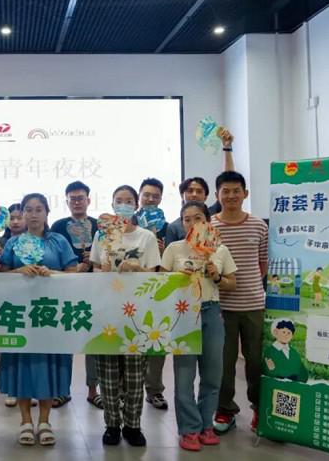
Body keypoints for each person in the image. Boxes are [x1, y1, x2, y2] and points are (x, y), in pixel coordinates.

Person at [0, 193, 78, 446]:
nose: (33, 215)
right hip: (20, 315)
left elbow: (73, 272)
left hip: (51, 315)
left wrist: (52, 273)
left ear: (46, 213)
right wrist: (18, 271)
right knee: (21, 363)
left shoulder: (59, 241)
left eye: (38, 209)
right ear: (22, 214)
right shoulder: (14, 243)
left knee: (49, 364)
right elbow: (0, 275)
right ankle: (25, 420)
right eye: (28, 210)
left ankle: (45, 421)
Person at [161, 201, 237, 452]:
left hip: (212, 311)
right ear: (182, 223)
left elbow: (232, 283)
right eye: (187, 219)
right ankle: (189, 429)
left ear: (207, 221)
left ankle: (206, 424)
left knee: (213, 373)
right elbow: (159, 282)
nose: (192, 224)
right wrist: (177, 278)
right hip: (184, 313)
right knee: (184, 376)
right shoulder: (174, 248)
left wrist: (216, 275)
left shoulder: (220, 249)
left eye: (198, 219)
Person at [90, 185, 160, 447]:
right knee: (107, 374)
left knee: (134, 375)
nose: (123, 205)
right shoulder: (102, 236)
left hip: (138, 314)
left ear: (136, 205)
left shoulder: (146, 237)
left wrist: (137, 268)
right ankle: (111, 425)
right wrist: (106, 269)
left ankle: (133, 425)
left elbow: (154, 273)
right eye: (118, 200)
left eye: (128, 201)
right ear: (111, 204)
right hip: (107, 310)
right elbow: (95, 270)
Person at [211, 171, 268, 435]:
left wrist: (248, 285)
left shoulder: (259, 226)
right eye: (226, 191)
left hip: (254, 305)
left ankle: (259, 408)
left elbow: (263, 264)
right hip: (220, 307)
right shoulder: (209, 227)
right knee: (223, 363)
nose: (231, 195)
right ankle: (225, 409)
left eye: (236, 190)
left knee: (256, 361)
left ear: (245, 193)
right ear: (217, 195)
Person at [50, 181, 99, 409]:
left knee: (94, 342)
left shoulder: (100, 226)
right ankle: (62, 390)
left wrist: (93, 261)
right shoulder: (58, 226)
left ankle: (93, 390)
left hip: (94, 289)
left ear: (89, 200)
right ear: (67, 202)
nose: (77, 202)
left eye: (81, 198)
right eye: (73, 199)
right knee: (65, 341)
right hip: (66, 290)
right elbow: (52, 257)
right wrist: (72, 267)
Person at [164, 130, 235, 246]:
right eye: (190, 191)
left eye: (199, 191)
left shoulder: (214, 214)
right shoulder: (174, 227)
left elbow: (228, 181)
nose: (194, 194)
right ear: (182, 195)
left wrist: (227, 148)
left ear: (206, 196)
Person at [136, 178, 169, 411]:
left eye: (155, 196)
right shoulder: (126, 223)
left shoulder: (168, 226)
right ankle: (127, 390)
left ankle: (155, 390)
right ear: (139, 196)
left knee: (156, 341)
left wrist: (163, 250)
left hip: (159, 291)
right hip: (129, 291)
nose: (150, 199)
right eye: (146, 195)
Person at [0, 202, 25, 408]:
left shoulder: (48, 240)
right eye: (11, 218)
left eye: (19, 217)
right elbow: (2, 272)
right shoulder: (5, 242)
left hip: (39, 303)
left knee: (32, 347)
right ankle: (13, 390)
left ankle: (30, 389)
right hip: (12, 302)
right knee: (12, 345)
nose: (15, 222)